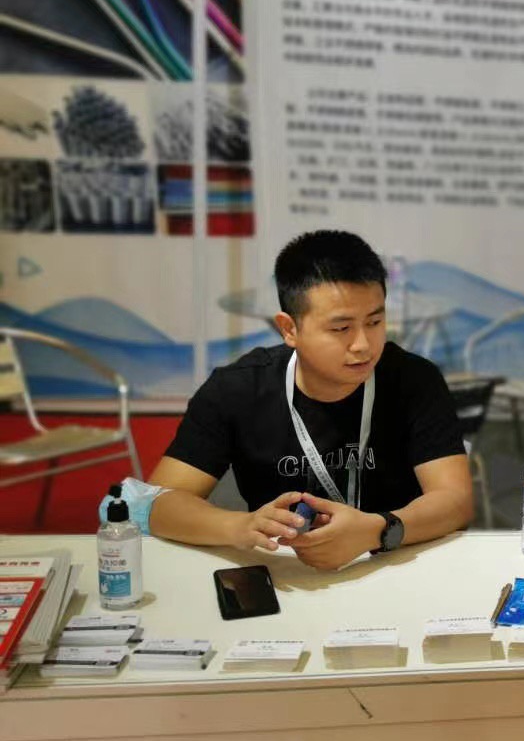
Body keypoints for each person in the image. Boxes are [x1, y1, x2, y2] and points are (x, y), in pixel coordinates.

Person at [149, 230, 473, 569]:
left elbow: (455, 499)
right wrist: (240, 526)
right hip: (282, 569)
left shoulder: (414, 380)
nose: (363, 345)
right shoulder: (237, 389)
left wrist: (378, 530)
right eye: (341, 329)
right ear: (289, 329)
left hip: (392, 559)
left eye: (375, 321)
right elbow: (157, 503)